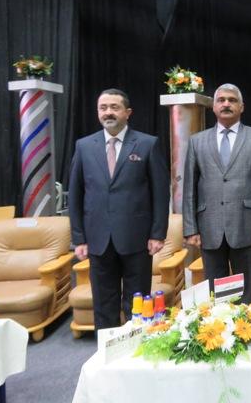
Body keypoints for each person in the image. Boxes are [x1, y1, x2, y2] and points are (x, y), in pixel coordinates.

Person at [68, 88, 170, 330]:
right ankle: (106, 349)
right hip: (98, 240)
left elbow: (160, 194)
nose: (108, 112)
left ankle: (137, 348)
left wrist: (158, 234)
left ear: (128, 112)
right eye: (103, 108)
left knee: (137, 303)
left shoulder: (147, 144)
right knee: (103, 303)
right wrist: (78, 238)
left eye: (114, 107)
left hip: (137, 240)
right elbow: (75, 195)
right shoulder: (84, 146)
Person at [182, 83, 251, 305]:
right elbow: (189, 189)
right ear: (213, 107)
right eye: (221, 100)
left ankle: (248, 327)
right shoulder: (197, 141)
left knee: (248, 294)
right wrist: (190, 228)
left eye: (232, 100)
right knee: (217, 296)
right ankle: (222, 327)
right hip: (209, 228)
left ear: (241, 107)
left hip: (248, 227)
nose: (226, 104)